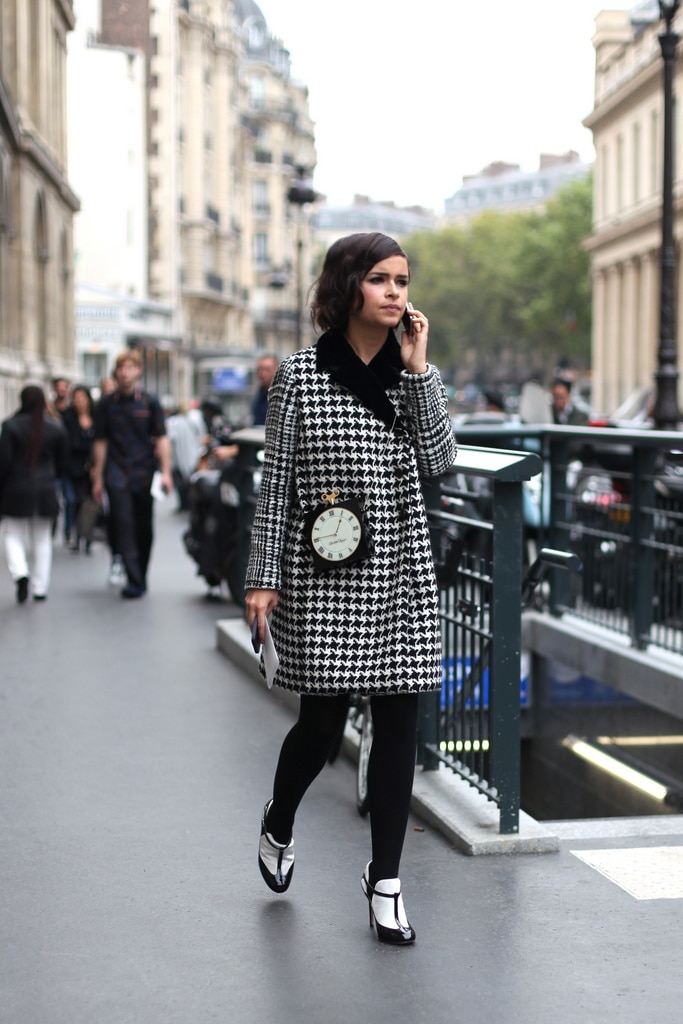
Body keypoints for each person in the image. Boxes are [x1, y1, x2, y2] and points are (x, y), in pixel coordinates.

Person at [245, 232, 456, 945]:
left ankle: (386, 882)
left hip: (400, 569)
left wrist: (420, 370)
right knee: (322, 723)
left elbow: (438, 460)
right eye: (380, 280)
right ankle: (279, 818)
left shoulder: (409, 375)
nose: (396, 292)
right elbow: (276, 483)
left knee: (399, 720)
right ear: (347, 287)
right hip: (326, 572)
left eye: (402, 280)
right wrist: (261, 579)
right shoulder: (302, 376)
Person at [91, 350, 173, 598]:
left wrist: (166, 473)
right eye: (121, 368)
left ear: (138, 372)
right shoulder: (106, 404)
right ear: (116, 373)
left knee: (143, 527)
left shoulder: (149, 401)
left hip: (144, 472)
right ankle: (134, 579)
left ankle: (140, 573)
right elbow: (100, 441)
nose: (125, 373)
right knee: (122, 524)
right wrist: (97, 477)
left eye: (130, 368)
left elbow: (162, 437)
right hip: (116, 474)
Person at [0, 385, 68, 602]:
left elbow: (4, 463)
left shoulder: (10, 426)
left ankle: (20, 573)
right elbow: (62, 463)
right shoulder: (55, 428)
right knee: (42, 539)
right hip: (45, 488)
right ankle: (40, 587)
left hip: (15, 489)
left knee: (13, 534)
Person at [60, 385, 96, 551]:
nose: (79, 402)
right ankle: (71, 533)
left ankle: (86, 535)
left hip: (89, 467)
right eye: (76, 398)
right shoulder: (67, 417)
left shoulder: (96, 417)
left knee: (86, 503)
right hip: (69, 466)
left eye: (82, 398)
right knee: (71, 501)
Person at [250, 354, 278, 425]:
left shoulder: (282, 396)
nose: (262, 374)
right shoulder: (259, 393)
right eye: (260, 369)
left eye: (267, 369)